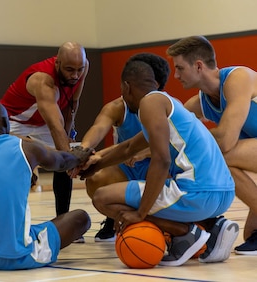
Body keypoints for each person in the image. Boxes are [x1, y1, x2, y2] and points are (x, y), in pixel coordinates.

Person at [79, 58, 237, 266]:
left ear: (127, 86)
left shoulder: (149, 103)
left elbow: (161, 161)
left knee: (102, 198)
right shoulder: (167, 104)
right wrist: (94, 165)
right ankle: (214, 225)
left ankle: (185, 233)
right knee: (127, 190)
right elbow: (128, 148)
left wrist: (140, 213)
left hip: (196, 194)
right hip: (223, 194)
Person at [0, 99, 91, 270]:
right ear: (5, 123)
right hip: (14, 256)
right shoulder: (27, 148)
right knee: (81, 218)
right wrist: (79, 156)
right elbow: (62, 162)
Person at [167, 35, 257, 255]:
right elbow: (166, 137)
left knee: (219, 156)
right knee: (251, 237)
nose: (176, 76)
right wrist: (139, 152)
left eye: (180, 68)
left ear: (198, 66)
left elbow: (225, 140)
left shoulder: (238, 78)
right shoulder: (199, 103)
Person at [75, 53, 170, 242]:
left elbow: (173, 148)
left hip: (159, 168)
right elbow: (99, 128)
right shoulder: (118, 106)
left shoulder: (168, 107)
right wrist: (83, 150)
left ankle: (162, 222)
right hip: (127, 167)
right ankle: (114, 218)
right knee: (96, 176)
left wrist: (146, 152)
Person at [0, 42, 89, 223]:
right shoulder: (43, 80)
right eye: (70, 70)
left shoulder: (83, 66)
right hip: (15, 119)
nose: (75, 75)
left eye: (79, 70)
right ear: (57, 64)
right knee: (63, 156)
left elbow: (73, 103)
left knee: (62, 161)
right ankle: (10, 218)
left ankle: (62, 219)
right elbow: (55, 124)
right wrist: (70, 160)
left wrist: (69, 132)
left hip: (43, 120)